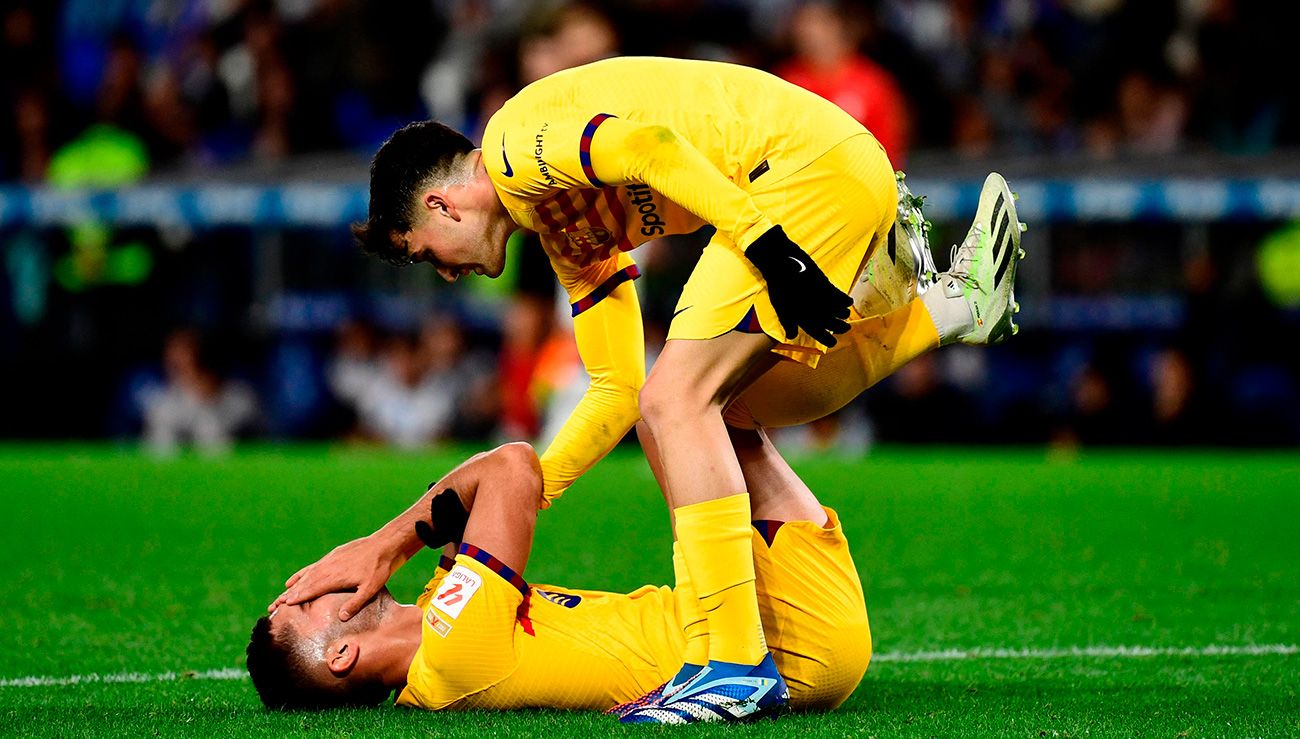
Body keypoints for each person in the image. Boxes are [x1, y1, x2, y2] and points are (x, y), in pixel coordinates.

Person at [334, 56, 1023, 722]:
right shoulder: (563, 230)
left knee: (678, 399)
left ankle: (732, 663)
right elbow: (615, 390)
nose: (446, 275)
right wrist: (522, 495)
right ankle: (952, 304)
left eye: (426, 254)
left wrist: (763, 241)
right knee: (719, 406)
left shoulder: (513, 147)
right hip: (818, 176)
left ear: (441, 204)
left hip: (793, 181)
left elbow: (647, 144)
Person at [248, 437, 872, 720]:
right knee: (681, 403)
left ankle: (907, 314)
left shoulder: (441, 607)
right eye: (305, 602)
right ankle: (921, 318)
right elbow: (512, 469)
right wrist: (384, 547)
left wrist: (393, 550)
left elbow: (466, 492)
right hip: (789, 648)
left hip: (757, 623)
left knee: (679, 405)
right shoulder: (451, 653)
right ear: (343, 655)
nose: (317, 578)